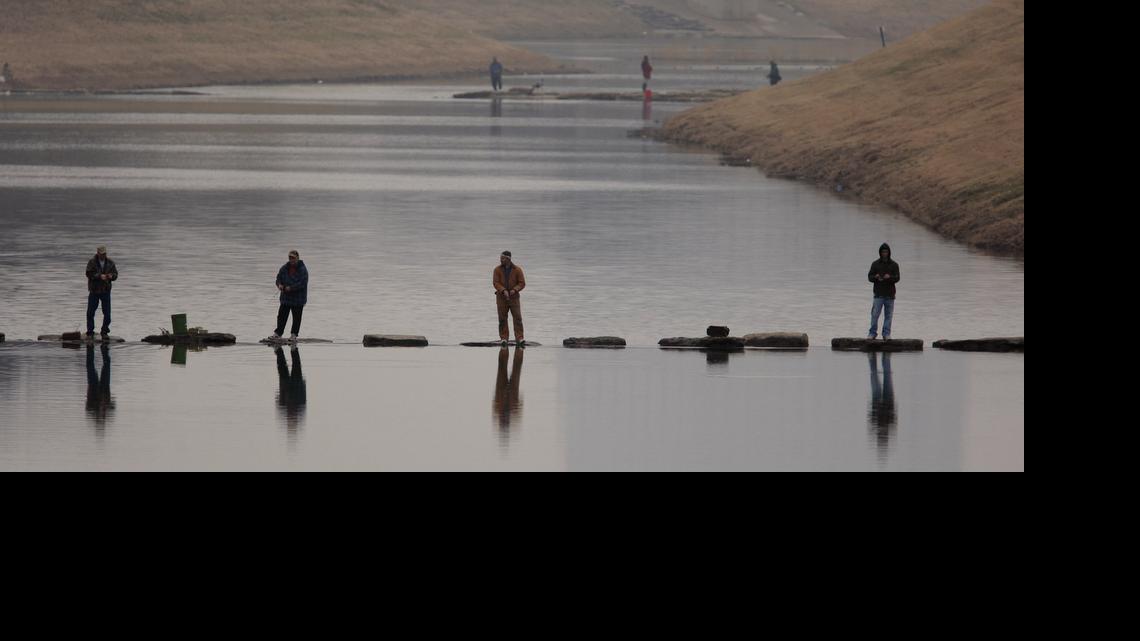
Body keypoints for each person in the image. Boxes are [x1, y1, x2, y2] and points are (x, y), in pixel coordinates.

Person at [270, 250, 309, 343]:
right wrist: (279, 285)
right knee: (281, 316)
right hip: (285, 298)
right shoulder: (284, 268)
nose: (291, 260)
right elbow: (278, 278)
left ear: (297, 258)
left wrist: (290, 288)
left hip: (298, 299)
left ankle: (294, 335)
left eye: (293, 258)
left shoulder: (303, 270)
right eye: (290, 258)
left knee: (296, 318)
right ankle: (278, 333)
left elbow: (302, 283)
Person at [493, 250, 526, 347]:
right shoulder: (497, 270)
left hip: (514, 298)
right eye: (500, 258)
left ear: (508, 259)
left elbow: (522, 283)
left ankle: (520, 338)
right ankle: (504, 338)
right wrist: (503, 290)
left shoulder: (517, 270)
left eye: (502, 258)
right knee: (502, 319)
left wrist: (514, 290)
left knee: (518, 318)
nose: (500, 260)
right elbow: (496, 283)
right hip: (501, 298)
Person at [867, 243, 900, 340]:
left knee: (888, 316)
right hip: (878, 294)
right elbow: (870, 277)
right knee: (875, 314)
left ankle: (886, 334)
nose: (884, 253)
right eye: (883, 252)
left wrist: (889, 277)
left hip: (890, 295)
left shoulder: (894, 265)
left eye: (886, 252)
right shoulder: (875, 264)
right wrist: (876, 277)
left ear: (889, 253)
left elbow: (897, 278)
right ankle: (872, 333)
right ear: (880, 253)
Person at [85, 245, 118, 339]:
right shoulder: (92, 262)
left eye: (104, 253)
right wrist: (99, 276)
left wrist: (112, 276)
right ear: (98, 253)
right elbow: (88, 274)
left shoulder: (111, 263)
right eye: (101, 253)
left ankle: (104, 331)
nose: (103, 255)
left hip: (106, 291)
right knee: (90, 313)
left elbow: (116, 275)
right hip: (94, 291)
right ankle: (90, 332)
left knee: (107, 314)